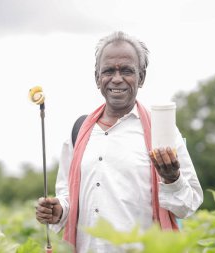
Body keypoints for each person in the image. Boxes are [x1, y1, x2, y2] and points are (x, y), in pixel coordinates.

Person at [35, 31, 203, 253]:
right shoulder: (78, 131)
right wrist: (59, 211)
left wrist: (173, 179)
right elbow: (66, 196)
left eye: (126, 71)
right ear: (97, 78)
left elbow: (188, 205)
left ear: (141, 77)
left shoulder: (162, 132)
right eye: (108, 71)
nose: (116, 78)